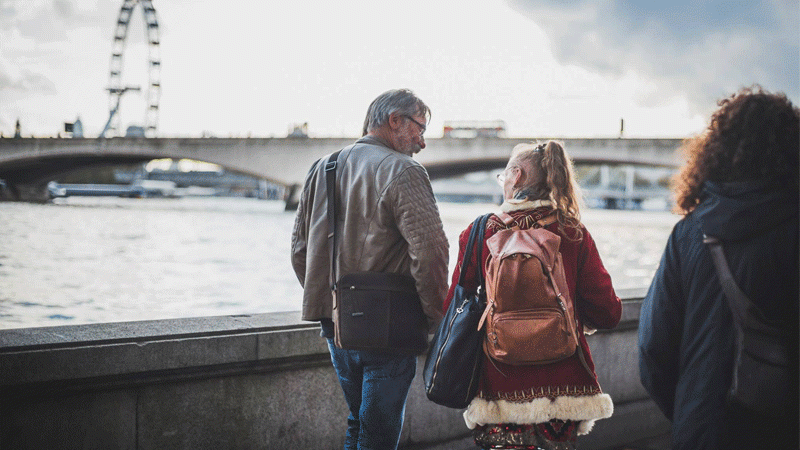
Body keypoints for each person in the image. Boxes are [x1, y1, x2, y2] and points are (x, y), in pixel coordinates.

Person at [638, 86, 799, 449]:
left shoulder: (689, 232)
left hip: (699, 429)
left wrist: (689, 412)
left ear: (717, 152)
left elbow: (652, 346)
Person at [291, 88, 449, 450]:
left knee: (358, 423)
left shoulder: (323, 167)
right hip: (388, 328)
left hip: (338, 329)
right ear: (395, 121)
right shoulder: (404, 170)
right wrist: (435, 319)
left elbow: (300, 250)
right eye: (420, 129)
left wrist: (335, 301)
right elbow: (430, 254)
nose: (422, 142)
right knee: (377, 435)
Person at [445, 141, 622, 449]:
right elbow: (608, 312)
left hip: (498, 383)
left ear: (515, 176)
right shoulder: (572, 233)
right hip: (564, 385)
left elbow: (453, 309)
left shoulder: (481, 232)